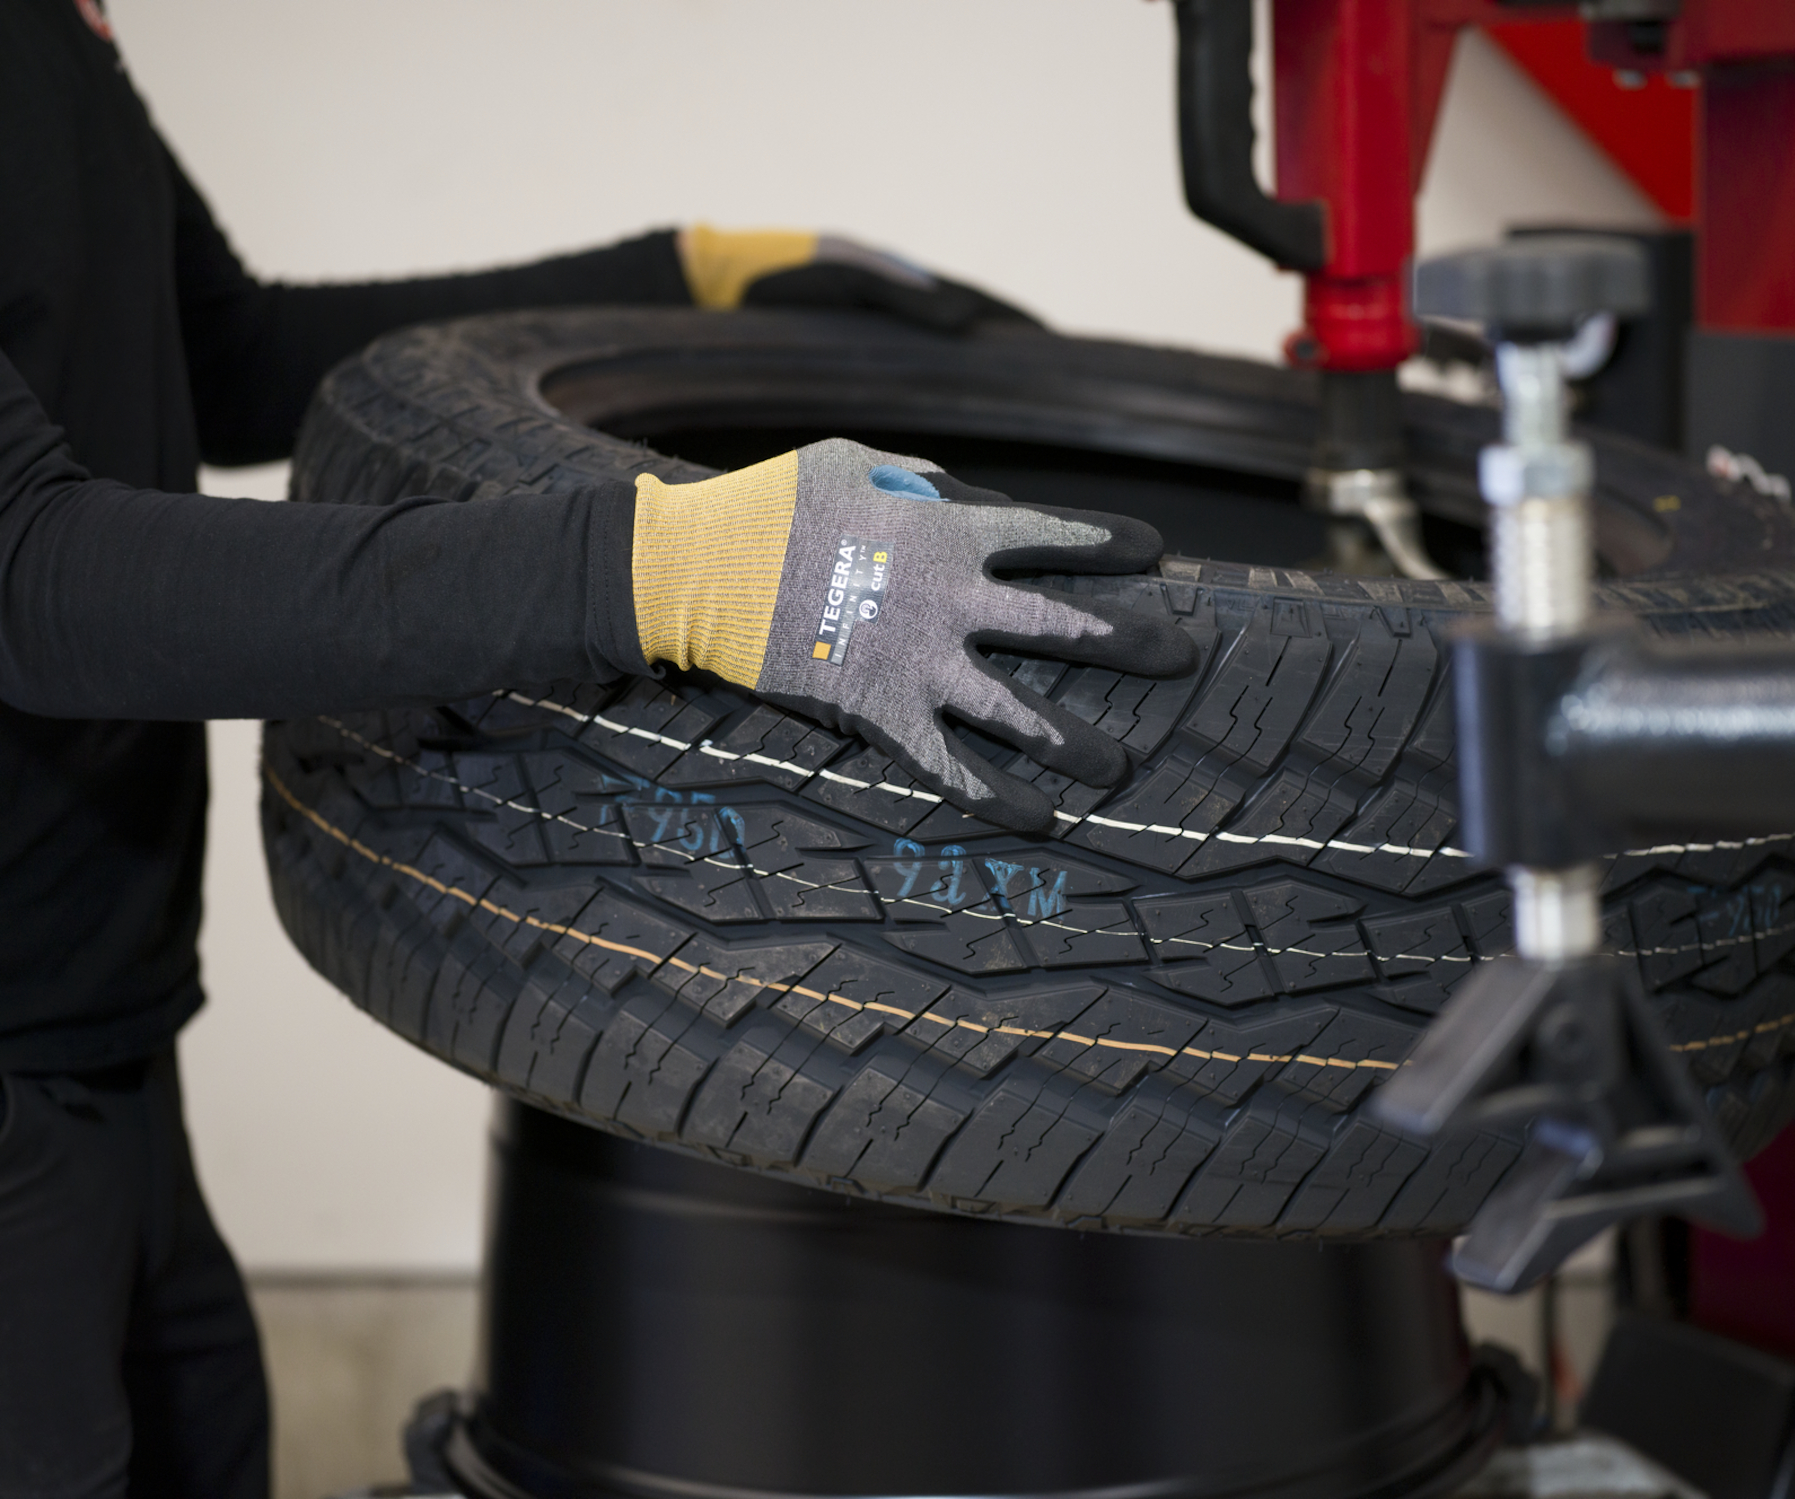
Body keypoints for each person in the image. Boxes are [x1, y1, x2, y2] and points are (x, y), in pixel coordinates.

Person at [0, 3, 1195, 1495]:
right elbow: (34, 577)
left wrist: (682, 278)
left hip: (103, 1037)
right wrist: (671, 568)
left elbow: (226, 354)